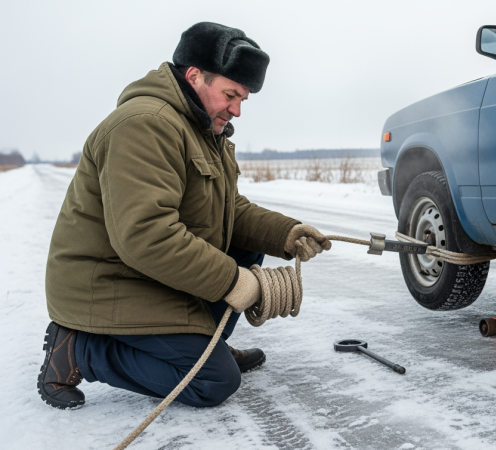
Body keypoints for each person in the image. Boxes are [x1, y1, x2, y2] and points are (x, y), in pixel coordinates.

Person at [37, 22, 331, 409]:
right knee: (213, 381)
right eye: (230, 95)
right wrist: (233, 282)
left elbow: (229, 211)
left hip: (146, 275)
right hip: (111, 282)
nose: (237, 110)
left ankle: (208, 344)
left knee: (247, 248)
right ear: (194, 76)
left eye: (243, 99)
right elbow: (147, 235)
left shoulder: (204, 131)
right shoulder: (145, 125)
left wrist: (286, 233)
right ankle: (80, 349)